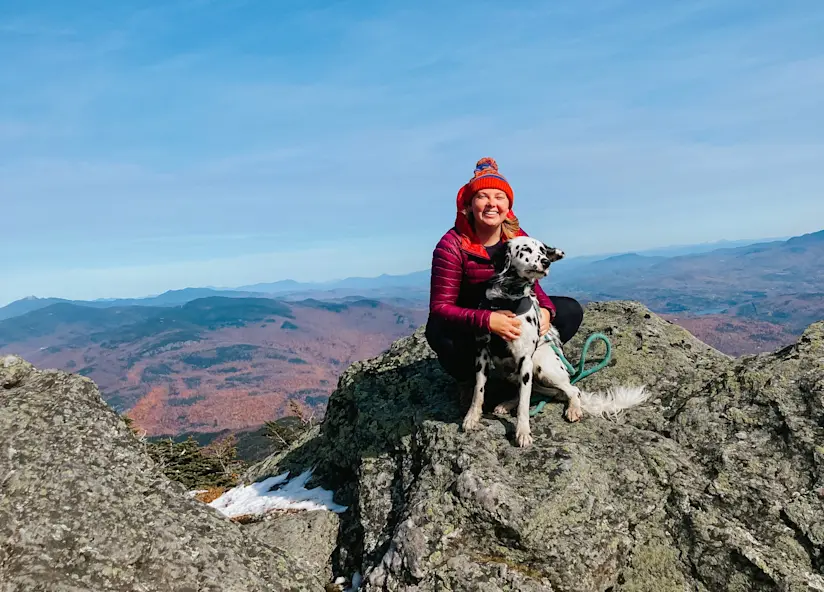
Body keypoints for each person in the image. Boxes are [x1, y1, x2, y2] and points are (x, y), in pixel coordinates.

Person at [425, 157, 584, 394]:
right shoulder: (451, 246)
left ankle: (519, 366)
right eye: (482, 197)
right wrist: (487, 320)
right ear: (468, 205)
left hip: (511, 309)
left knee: (570, 310)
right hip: (471, 321)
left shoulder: (516, 236)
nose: (492, 204)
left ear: (508, 206)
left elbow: (530, 276)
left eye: (499, 197)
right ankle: (469, 382)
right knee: (439, 334)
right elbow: (440, 307)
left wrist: (546, 309)